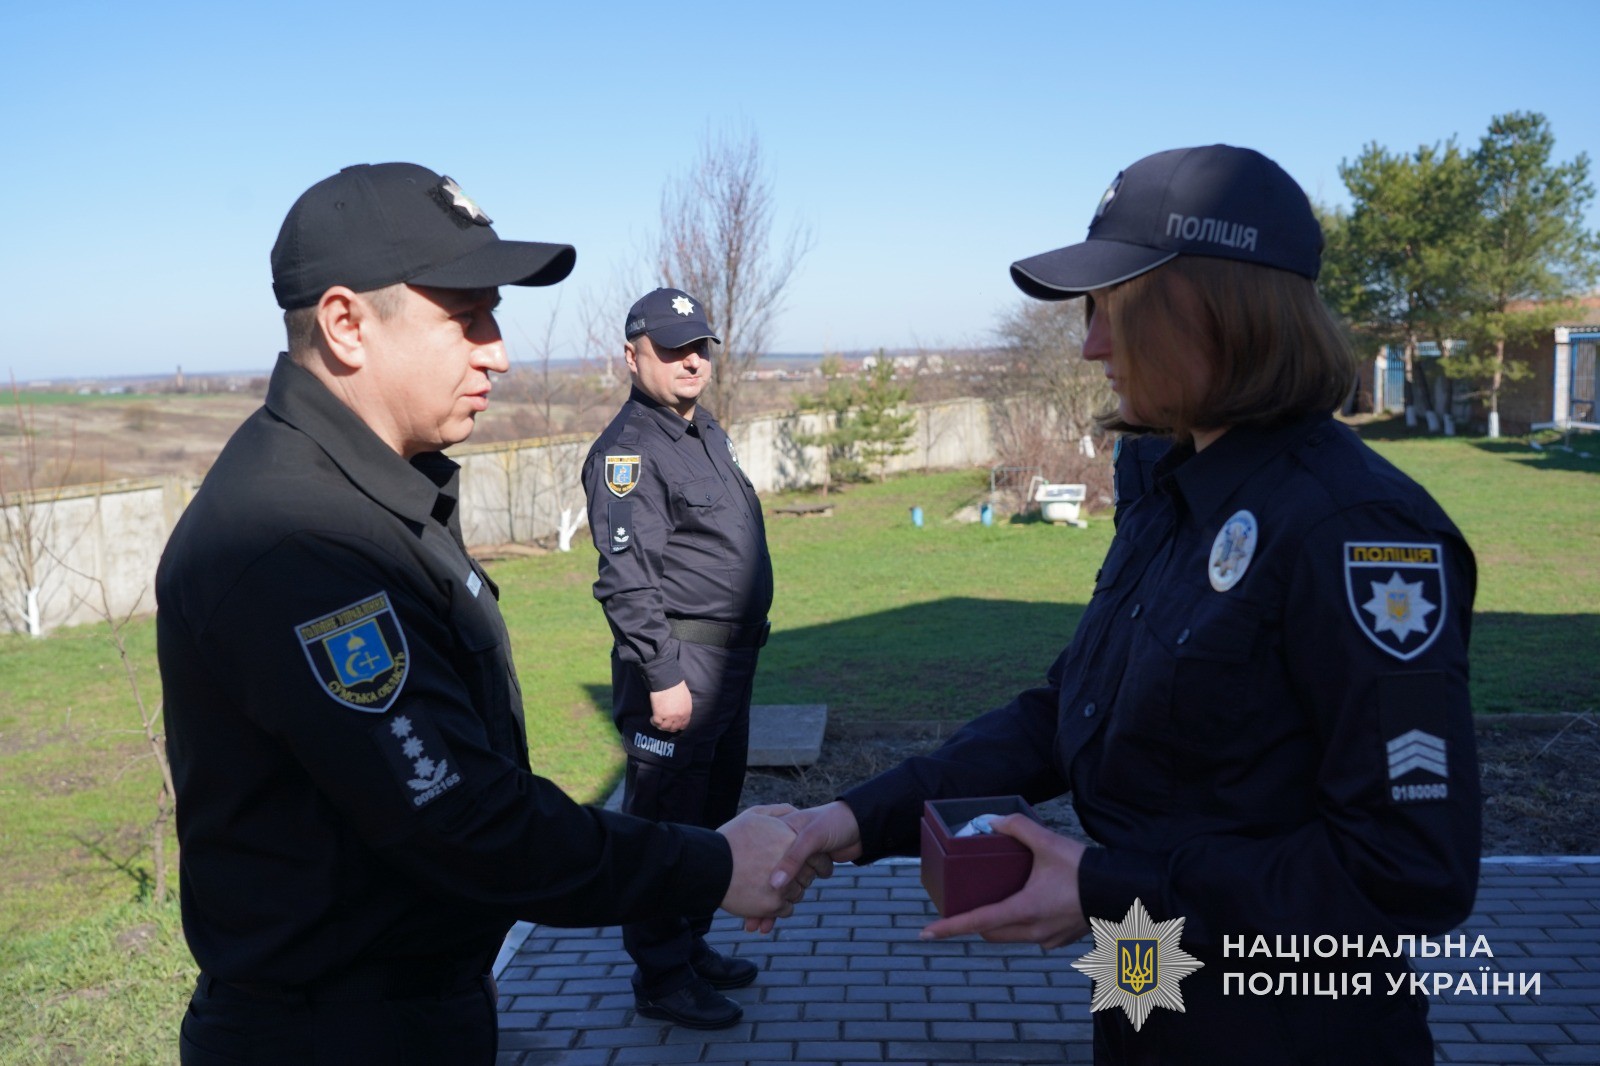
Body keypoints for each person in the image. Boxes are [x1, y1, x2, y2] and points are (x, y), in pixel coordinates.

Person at [770, 145, 1481, 1064]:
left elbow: (1408, 869)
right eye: (1090, 312)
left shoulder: (1357, 530)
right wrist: (859, 817)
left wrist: (1107, 886)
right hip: (1144, 975)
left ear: (1222, 309)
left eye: (1117, 309)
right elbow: (1071, 712)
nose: (1091, 345)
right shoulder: (1173, 488)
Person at [157, 163, 806, 1066]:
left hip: (406, 1003)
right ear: (346, 325)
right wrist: (715, 865)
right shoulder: (296, 541)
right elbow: (463, 819)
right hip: (337, 1034)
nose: (497, 352)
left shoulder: (371, 494)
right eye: (467, 319)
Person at [580, 287, 775, 1029]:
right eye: (671, 349)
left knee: (709, 815)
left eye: (699, 347)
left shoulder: (702, 431)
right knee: (664, 823)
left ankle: (689, 946)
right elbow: (625, 580)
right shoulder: (628, 452)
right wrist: (662, 678)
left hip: (727, 664)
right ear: (633, 357)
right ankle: (661, 975)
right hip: (679, 665)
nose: (691, 360)